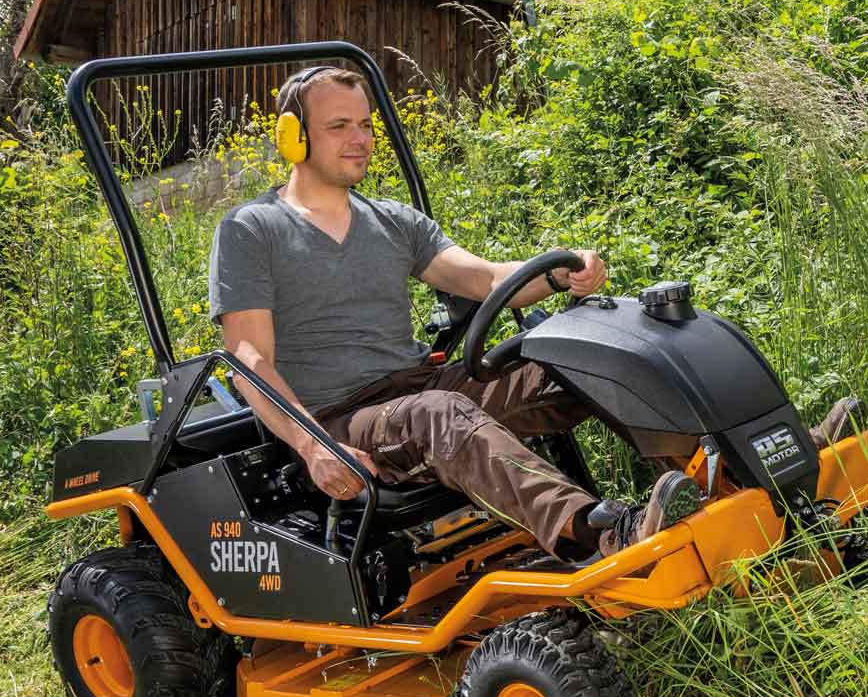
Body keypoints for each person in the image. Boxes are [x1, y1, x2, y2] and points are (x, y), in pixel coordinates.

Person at [209, 63, 685, 561]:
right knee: (439, 413)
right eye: (339, 126)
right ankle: (605, 535)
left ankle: (701, 482)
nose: (361, 139)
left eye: (366, 124)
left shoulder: (395, 222)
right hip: (341, 420)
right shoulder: (252, 229)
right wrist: (313, 446)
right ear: (294, 136)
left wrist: (559, 274)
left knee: (574, 361)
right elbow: (249, 359)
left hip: (421, 388)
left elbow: (486, 279)